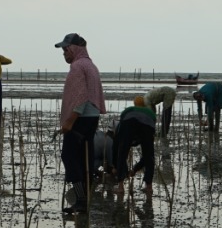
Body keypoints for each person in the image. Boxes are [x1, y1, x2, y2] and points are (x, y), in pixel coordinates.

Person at [56, 33, 106, 216]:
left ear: (73, 49)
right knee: (85, 158)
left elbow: (81, 98)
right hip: (91, 119)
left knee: (69, 157)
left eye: (65, 50)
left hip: (80, 119)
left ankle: (81, 200)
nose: (64, 54)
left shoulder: (77, 67)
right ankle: (84, 200)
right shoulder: (91, 65)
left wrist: (69, 121)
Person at [113, 96, 156, 195]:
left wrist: (118, 166)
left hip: (129, 123)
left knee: (122, 152)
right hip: (147, 126)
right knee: (149, 155)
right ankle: (149, 187)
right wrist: (135, 169)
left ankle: (120, 187)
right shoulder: (150, 113)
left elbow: (118, 143)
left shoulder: (128, 110)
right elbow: (152, 130)